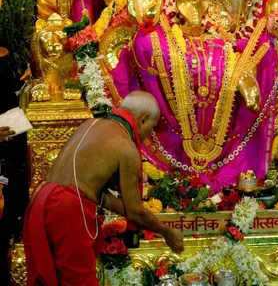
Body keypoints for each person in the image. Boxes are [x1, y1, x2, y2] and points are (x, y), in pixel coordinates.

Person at [23, 91, 184, 286]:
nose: (149, 135)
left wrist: (140, 215)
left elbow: (97, 194)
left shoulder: (91, 124)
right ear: (143, 119)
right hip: (69, 208)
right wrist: (167, 232)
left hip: (42, 197)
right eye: (152, 128)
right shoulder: (125, 147)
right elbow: (134, 212)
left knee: (51, 279)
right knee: (80, 281)